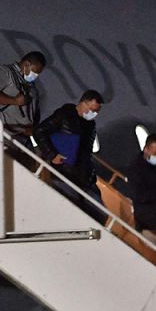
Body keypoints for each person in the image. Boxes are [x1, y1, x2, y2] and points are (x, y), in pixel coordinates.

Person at [35, 89, 105, 218]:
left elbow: (86, 151)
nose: (94, 114)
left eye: (96, 112)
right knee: (71, 211)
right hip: (64, 172)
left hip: (84, 175)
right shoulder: (64, 114)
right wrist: (52, 154)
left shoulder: (90, 124)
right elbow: (40, 131)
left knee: (100, 213)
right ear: (83, 103)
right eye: (92, 110)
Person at [0, 51, 46, 147]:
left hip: (23, 137)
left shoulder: (31, 85)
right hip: (3, 133)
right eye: (35, 72)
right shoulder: (6, 72)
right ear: (26, 64)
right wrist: (14, 101)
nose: (36, 75)